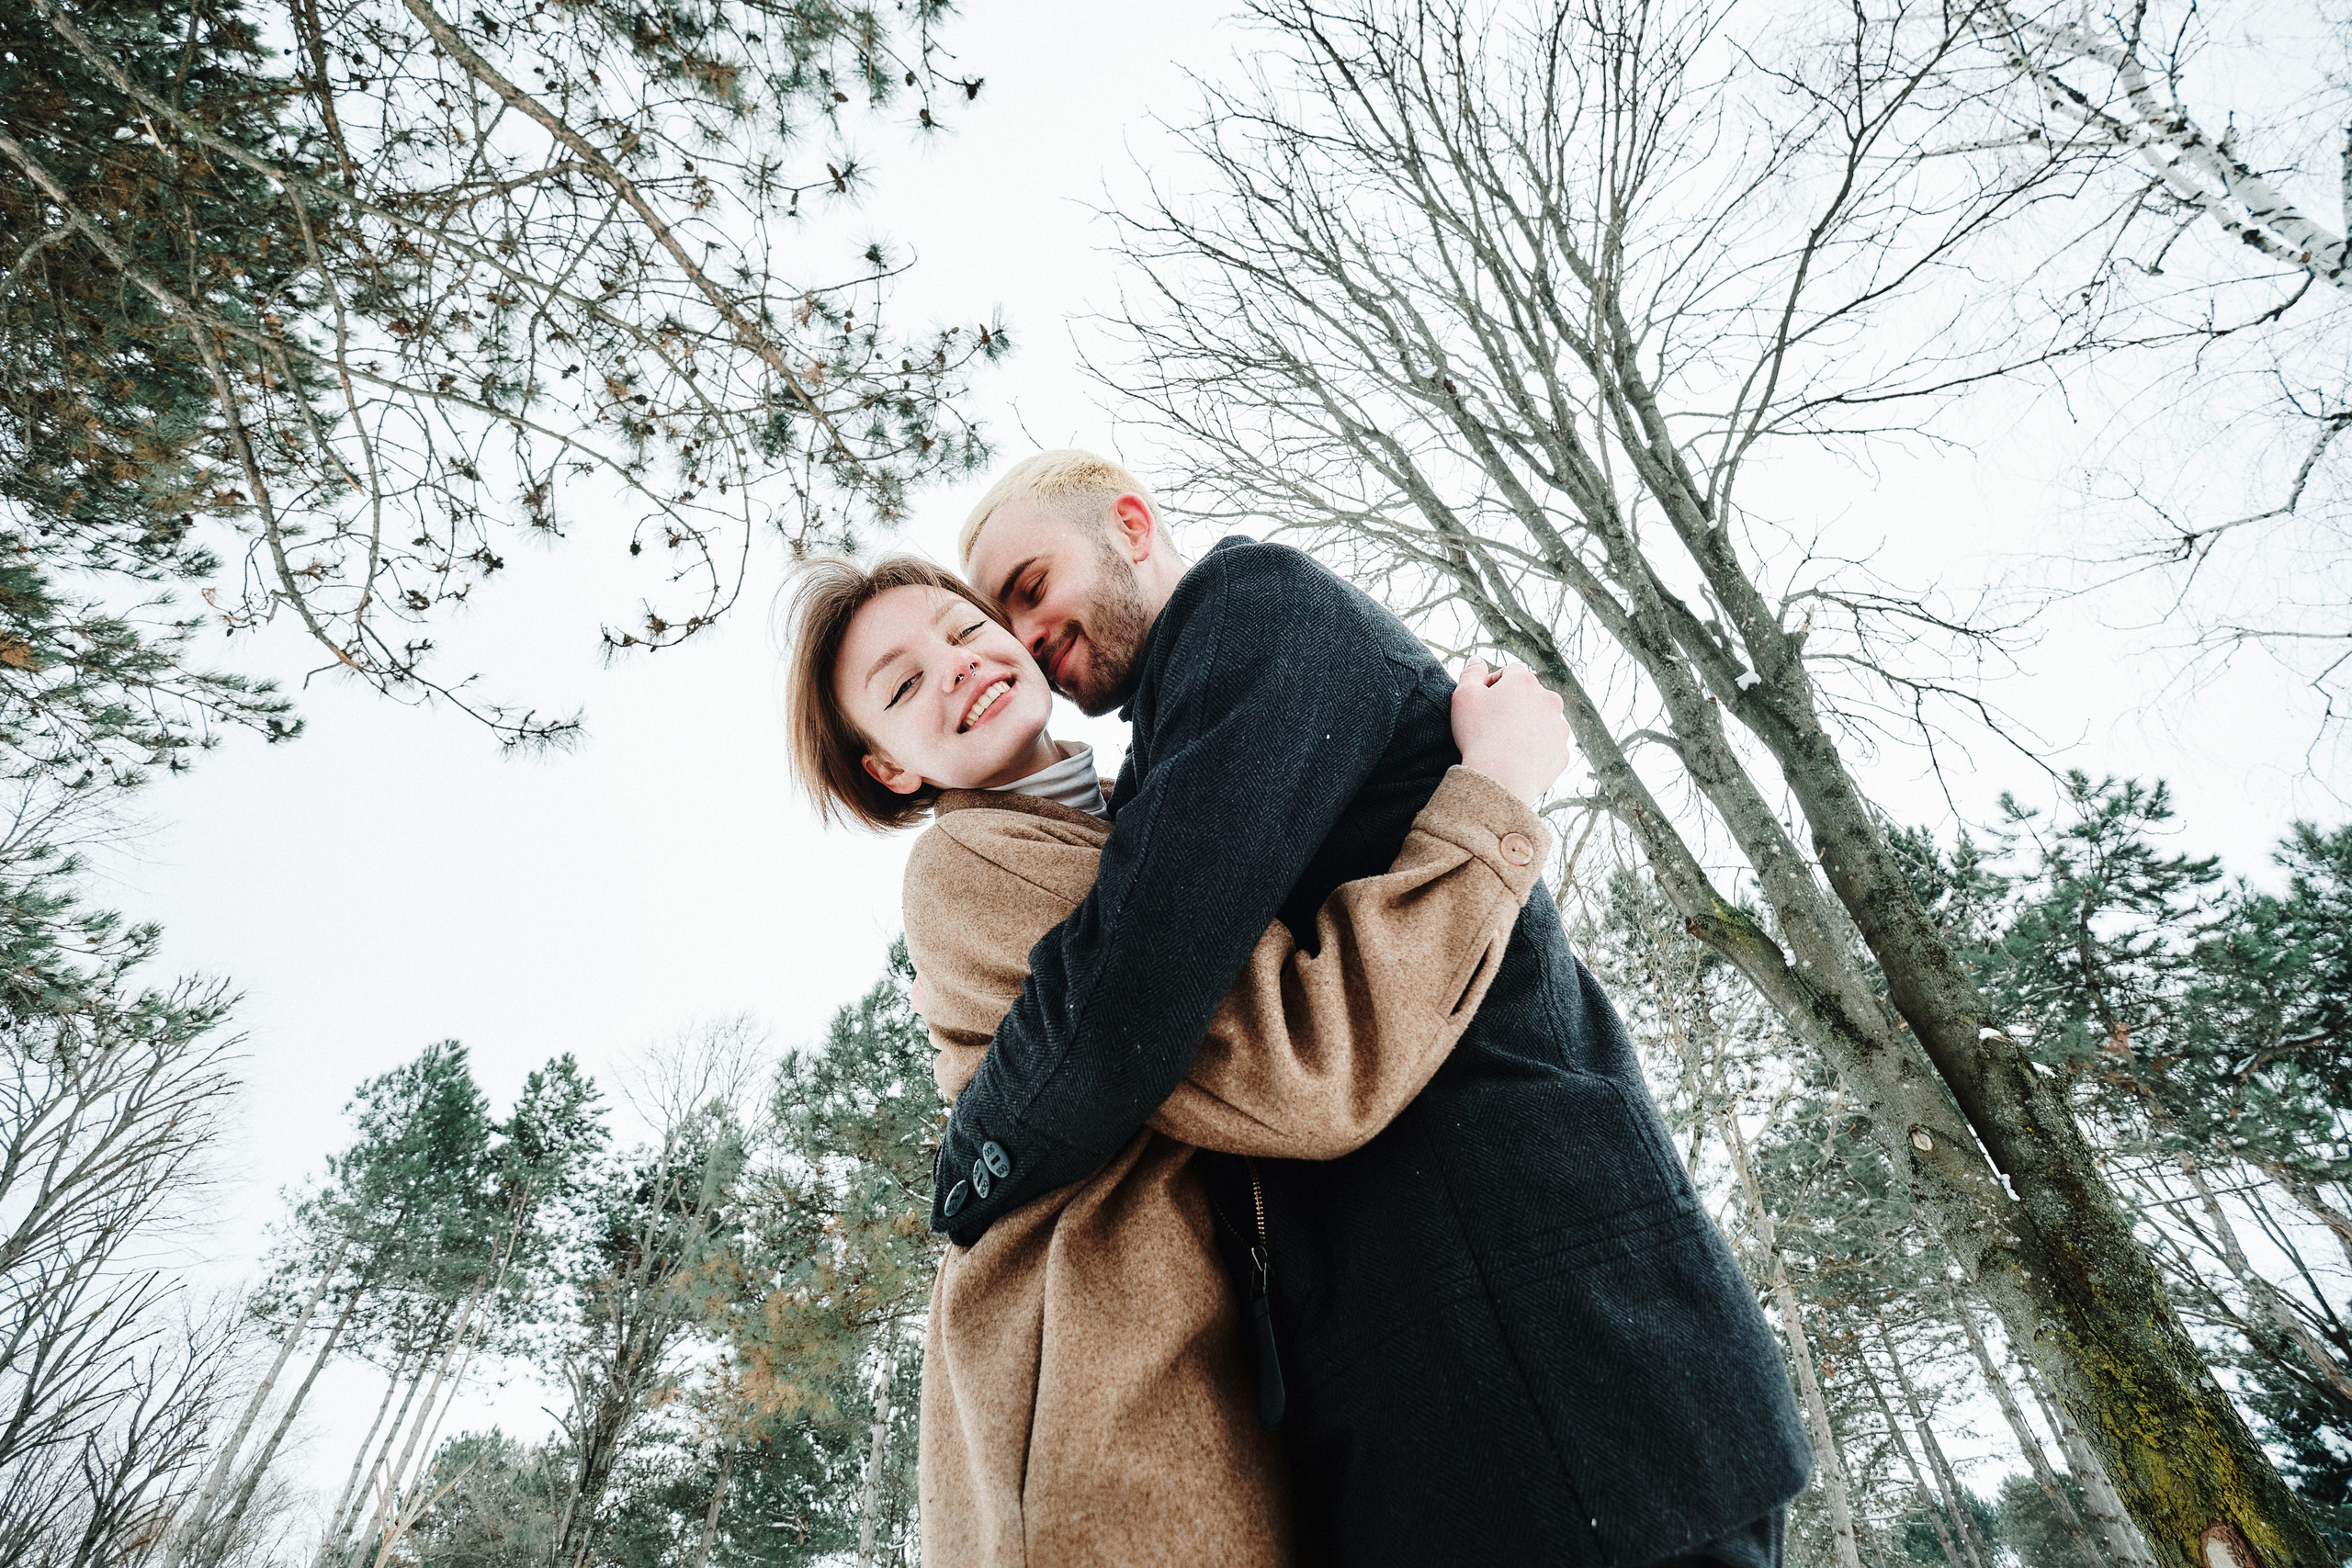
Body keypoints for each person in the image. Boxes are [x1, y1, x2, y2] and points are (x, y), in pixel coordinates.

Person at [936, 451, 1815, 1567]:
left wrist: (975, 1157)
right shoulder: (1173, 736)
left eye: (1029, 585)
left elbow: (1132, 986)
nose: (1025, 636)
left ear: (1128, 523)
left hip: (1552, 1347)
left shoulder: (1254, 612)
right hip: (1460, 1381)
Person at [784, 554, 1574, 1566]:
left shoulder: (1131, 810)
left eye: (961, 625)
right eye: (899, 684)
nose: (955, 664)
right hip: (1096, 1410)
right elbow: (1306, 1063)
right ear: (889, 767)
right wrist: (1494, 796)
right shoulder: (965, 866)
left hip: (1211, 1377)